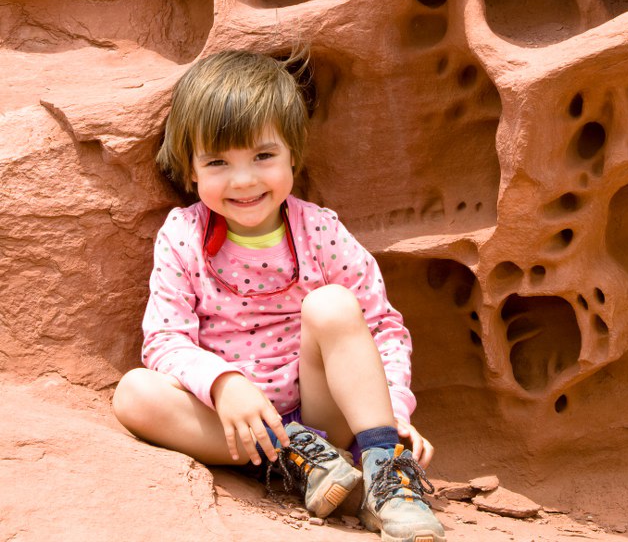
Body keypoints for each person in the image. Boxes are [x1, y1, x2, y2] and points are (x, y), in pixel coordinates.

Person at [112, 49, 446, 542]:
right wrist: (224, 383)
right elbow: (164, 340)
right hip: (234, 421)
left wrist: (393, 416)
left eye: (263, 156)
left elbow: (381, 328)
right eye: (218, 161)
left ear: (294, 153)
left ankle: (385, 474)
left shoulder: (320, 231)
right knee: (134, 394)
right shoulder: (181, 236)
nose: (244, 180)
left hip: (323, 411)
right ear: (191, 168)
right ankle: (298, 459)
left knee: (332, 305)